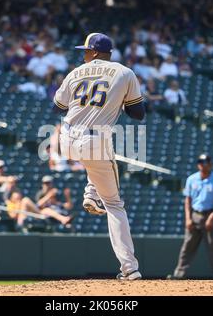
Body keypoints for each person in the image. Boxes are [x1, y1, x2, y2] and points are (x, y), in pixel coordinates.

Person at [53, 33, 145, 280]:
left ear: (94, 52)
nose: (82, 54)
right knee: (114, 204)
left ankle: (91, 194)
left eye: (85, 50)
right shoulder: (125, 72)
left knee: (93, 163)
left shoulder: (75, 73)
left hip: (67, 138)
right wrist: (119, 101)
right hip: (95, 140)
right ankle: (130, 269)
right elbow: (138, 114)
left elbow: (57, 108)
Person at [171, 154, 213, 280]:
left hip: (209, 215)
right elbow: (188, 200)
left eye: (204, 162)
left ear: (210, 164)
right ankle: (178, 275)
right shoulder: (192, 179)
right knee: (187, 247)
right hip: (195, 214)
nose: (202, 164)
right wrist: (188, 219)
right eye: (200, 161)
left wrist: (212, 217)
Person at [6, 189, 73, 228]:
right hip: (19, 222)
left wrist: (67, 196)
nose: (18, 200)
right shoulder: (11, 205)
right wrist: (18, 205)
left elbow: (69, 206)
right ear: (12, 199)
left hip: (35, 217)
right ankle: (63, 219)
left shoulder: (57, 204)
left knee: (45, 210)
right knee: (26, 200)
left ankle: (63, 220)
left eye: (19, 198)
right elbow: (13, 216)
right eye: (16, 198)